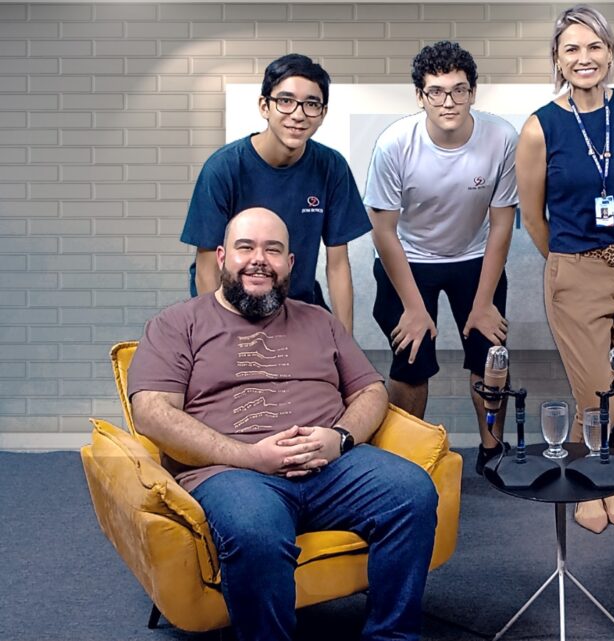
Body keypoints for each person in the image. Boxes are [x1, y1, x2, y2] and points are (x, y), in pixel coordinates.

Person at [130, 208, 438, 641]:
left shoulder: (319, 320)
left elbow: (371, 391)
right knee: (256, 531)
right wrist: (250, 456)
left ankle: (392, 635)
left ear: (290, 264)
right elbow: (152, 412)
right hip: (233, 471)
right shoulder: (178, 324)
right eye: (246, 248)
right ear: (221, 257)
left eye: (273, 250)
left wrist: (341, 438)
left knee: (412, 493)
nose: (260, 259)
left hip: (330, 466)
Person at [517, 4, 614, 534]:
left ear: (610, 52)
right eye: (572, 49)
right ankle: (594, 485)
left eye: (594, 46)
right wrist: (572, 263)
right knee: (596, 394)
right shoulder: (540, 127)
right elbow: (533, 217)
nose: (585, 58)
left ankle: (609, 472)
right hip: (577, 271)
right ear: (557, 59)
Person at [363, 41, 518, 475]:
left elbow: (502, 223)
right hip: (408, 259)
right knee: (411, 360)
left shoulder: (502, 137)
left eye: (459, 90)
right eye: (436, 91)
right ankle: (406, 458)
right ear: (420, 96)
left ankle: (492, 451)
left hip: (474, 258)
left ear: (473, 92)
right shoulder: (394, 144)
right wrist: (414, 308)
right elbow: (384, 232)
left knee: (491, 355)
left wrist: (484, 303)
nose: (448, 101)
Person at [181, 53, 371, 333]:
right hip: (232, 307)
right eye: (285, 101)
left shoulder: (331, 167)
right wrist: (221, 334)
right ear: (264, 106)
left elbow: (338, 265)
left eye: (311, 104)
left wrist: (345, 345)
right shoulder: (223, 168)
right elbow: (207, 266)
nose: (298, 114)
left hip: (296, 304)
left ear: (323, 113)